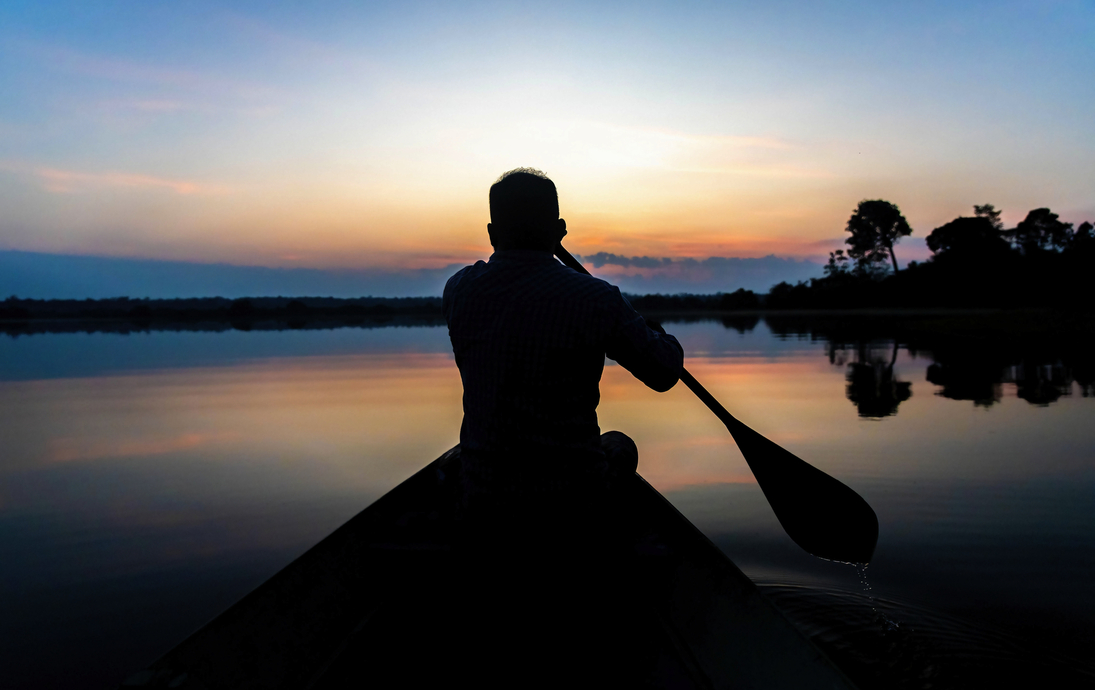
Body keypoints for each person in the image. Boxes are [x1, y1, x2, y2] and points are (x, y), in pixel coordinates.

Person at [443, 168, 684, 521]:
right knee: (620, 445)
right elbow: (664, 373)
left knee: (456, 458)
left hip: (484, 499)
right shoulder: (596, 298)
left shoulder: (459, 290)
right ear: (560, 231)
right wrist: (658, 335)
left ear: (492, 234)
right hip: (574, 500)